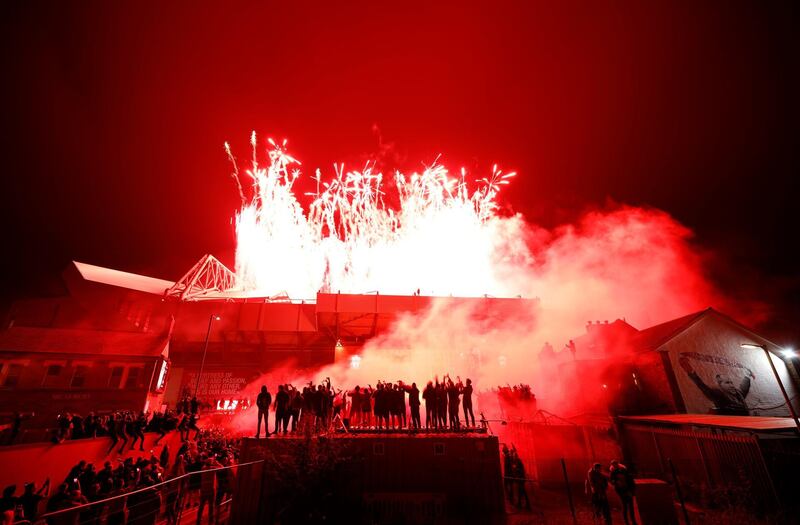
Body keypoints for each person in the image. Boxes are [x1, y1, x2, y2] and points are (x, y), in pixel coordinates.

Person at [679, 357, 753, 415]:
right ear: (720, 385)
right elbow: (702, 386)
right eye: (727, 383)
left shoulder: (739, 394)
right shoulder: (719, 396)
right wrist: (690, 371)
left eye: (731, 382)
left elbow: (744, 387)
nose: (731, 385)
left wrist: (747, 375)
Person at [609, 460, 636, 525]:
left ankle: (632, 521)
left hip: (626, 490)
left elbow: (630, 481)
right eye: (614, 465)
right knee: (625, 506)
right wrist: (616, 482)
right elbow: (612, 481)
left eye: (615, 464)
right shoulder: (614, 472)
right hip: (622, 491)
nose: (615, 466)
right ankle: (627, 521)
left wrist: (631, 491)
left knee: (629, 506)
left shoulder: (624, 470)